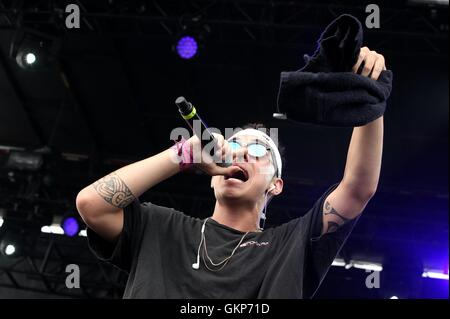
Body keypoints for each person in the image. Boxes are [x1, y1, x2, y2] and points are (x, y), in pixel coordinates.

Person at [76, 47, 386, 298]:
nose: (240, 155)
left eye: (257, 151)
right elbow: (92, 204)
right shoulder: (161, 227)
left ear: (276, 185)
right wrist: (183, 154)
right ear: (212, 174)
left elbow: (358, 189)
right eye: (233, 147)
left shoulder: (289, 246)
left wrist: (369, 102)